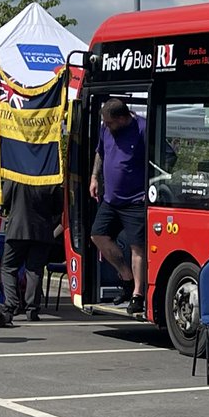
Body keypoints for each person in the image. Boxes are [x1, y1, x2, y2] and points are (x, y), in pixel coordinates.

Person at [90, 98, 147, 314]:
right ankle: (126, 275)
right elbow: (100, 152)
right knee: (98, 235)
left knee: (137, 248)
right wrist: (94, 177)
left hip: (135, 200)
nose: (108, 126)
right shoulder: (106, 129)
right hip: (111, 199)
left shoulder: (142, 128)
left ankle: (137, 294)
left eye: (111, 123)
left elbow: (165, 156)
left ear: (123, 118)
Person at [0, 179, 64, 324]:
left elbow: (4, 199)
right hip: (42, 231)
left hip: (18, 229)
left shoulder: (14, 175)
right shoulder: (51, 178)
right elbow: (59, 207)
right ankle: (32, 308)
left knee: (8, 267)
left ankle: (11, 305)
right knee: (34, 270)